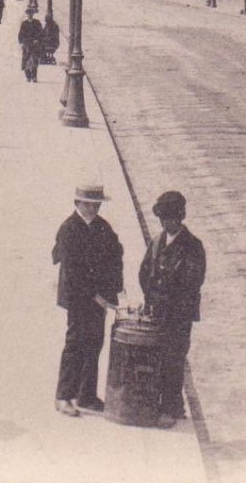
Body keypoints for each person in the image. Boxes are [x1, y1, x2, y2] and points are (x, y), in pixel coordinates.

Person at [52, 183, 123, 417]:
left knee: (94, 344)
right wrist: (97, 297)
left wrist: (114, 291)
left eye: (96, 204)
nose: (93, 208)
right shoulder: (69, 229)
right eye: (88, 204)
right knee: (75, 344)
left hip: (99, 298)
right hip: (78, 297)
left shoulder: (103, 228)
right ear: (77, 203)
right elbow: (73, 273)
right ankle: (63, 396)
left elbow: (115, 257)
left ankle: (86, 394)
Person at [139, 190, 207, 428]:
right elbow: (144, 272)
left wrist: (161, 291)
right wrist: (151, 294)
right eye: (164, 219)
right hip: (158, 311)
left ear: (181, 217)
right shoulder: (157, 242)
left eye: (173, 218)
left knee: (173, 359)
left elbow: (191, 281)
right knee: (159, 358)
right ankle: (172, 405)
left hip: (179, 315)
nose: (169, 223)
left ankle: (170, 408)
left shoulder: (193, 246)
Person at [17, 10, 43, 81]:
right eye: (28, 14)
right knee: (26, 60)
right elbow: (20, 34)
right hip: (26, 44)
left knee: (34, 60)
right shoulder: (24, 23)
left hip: (35, 44)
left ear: (33, 14)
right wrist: (21, 42)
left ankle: (34, 76)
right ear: (26, 14)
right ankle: (28, 76)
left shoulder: (37, 23)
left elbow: (41, 33)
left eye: (31, 13)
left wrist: (37, 39)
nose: (30, 15)